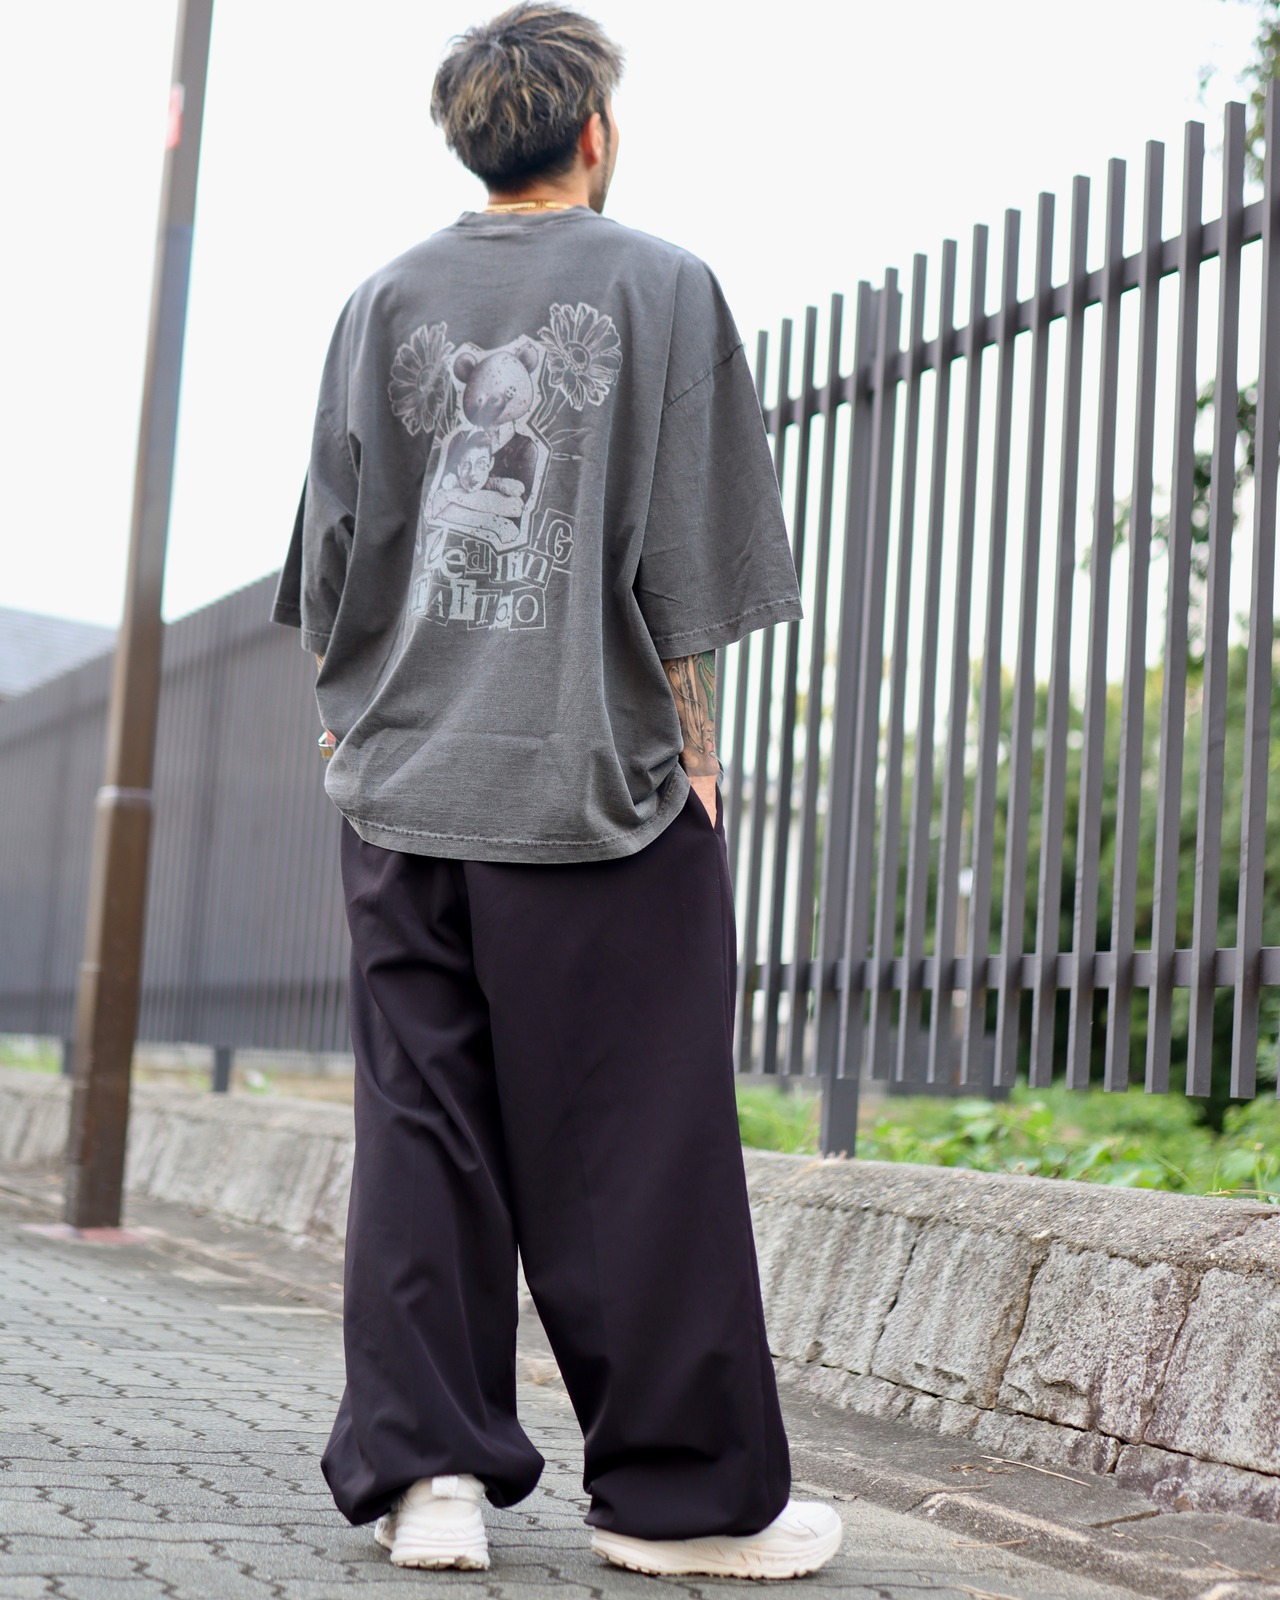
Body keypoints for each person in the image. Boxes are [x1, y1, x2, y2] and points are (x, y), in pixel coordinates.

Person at [271, 2, 841, 1581]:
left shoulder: (384, 297)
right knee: (635, 1141)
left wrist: (346, 730)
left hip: (402, 783)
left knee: (421, 1129)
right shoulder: (664, 285)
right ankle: (679, 1501)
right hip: (592, 787)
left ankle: (429, 1482)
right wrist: (694, 749)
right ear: (594, 131)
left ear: (471, 137)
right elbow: (687, 561)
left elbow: (332, 551)